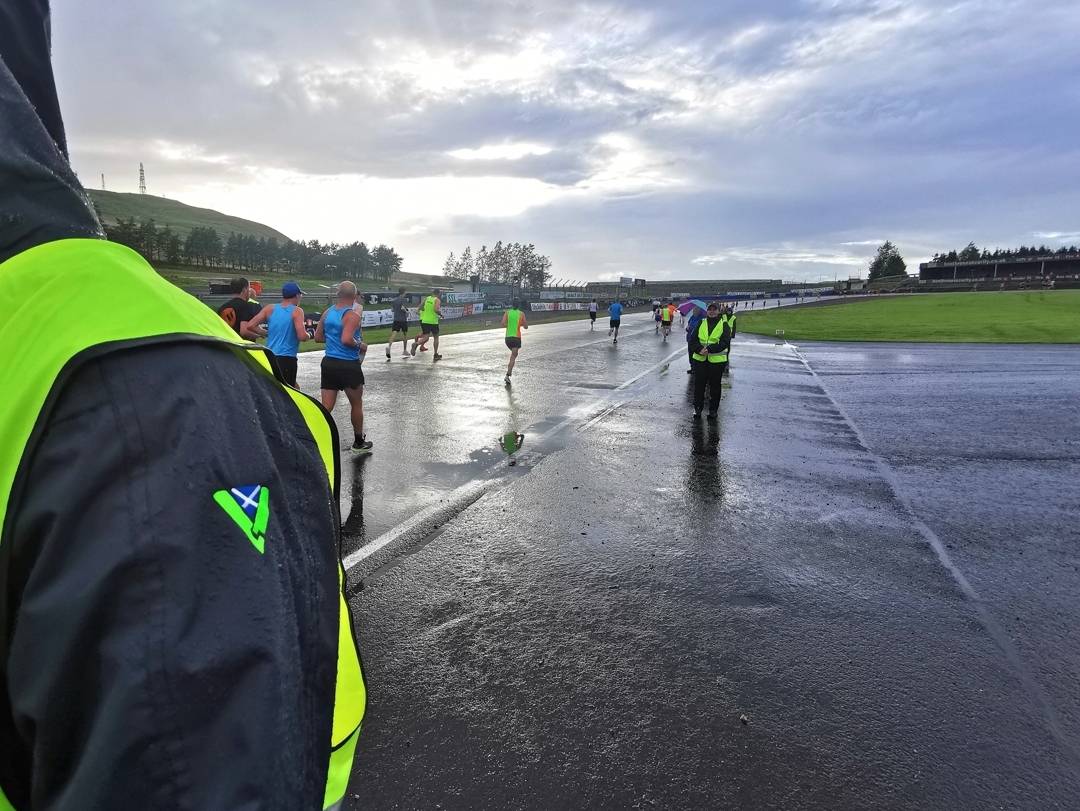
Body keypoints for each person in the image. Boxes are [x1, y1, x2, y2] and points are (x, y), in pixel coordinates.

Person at [0, 7, 364, 808]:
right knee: (323, 405)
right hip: (270, 374)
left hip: (243, 385)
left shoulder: (135, 392)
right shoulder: (161, 369)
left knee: (317, 405)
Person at [315, 281, 372, 453]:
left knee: (326, 406)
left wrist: (333, 339)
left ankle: (315, 437)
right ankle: (358, 443)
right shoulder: (352, 315)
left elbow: (318, 337)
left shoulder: (328, 312)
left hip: (329, 362)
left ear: (338, 294)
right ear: (354, 297)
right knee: (356, 404)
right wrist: (360, 345)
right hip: (348, 365)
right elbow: (347, 339)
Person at [246, 281, 308, 387]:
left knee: (274, 388)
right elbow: (302, 336)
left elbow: (251, 325)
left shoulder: (270, 308)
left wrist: (265, 333)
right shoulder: (297, 311)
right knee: (288, 392)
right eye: (300, 295)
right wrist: (309, 335)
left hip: (270, 356)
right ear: (297, 295)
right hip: (287, 358)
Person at [690, 301, 732, 420]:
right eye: (710, 309)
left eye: (714, 309)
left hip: (716, 362)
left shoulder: (724, 325)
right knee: (699, 386)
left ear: (718, 311)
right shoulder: (701, 322)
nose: (712, 311)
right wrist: (699, 349)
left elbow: (725, 342)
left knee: (715, 387)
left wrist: (709, 349)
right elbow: (693, 340)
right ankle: (697, 408)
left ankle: (713, 410)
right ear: (707, 311)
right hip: (700, 360)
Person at [411, 287, 443, 360]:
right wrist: (440, 314)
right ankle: (435, 354)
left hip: (424, 320)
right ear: (438, 293)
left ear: (433, 293)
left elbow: (420, 307)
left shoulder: (427, 298)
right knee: (436, 337)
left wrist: (424, 312)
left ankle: (416, 343)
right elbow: (435, 309)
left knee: (426, 337)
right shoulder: (437, 300)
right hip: (433, 321)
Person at [502, 300, 528, 385]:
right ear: (519, 306)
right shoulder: (521, 314)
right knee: (513, 356)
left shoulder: (507, 312)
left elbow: (502, 324)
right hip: (516, 338)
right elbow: (526, 327)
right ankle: (507, 375)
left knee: (513, 355)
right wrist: (519, 324)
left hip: (508, 338)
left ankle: (508, 374)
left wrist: (510, 325)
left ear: (512, 305)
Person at [386, 286, 410, 359]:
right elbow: (403, 308)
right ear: (404, 292)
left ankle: (389, 346)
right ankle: (405, 350)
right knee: (405, 334)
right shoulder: (404, 300)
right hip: (403, 320)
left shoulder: (394, 300)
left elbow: (392, 310)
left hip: (396, 319)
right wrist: (407, 312)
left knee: (394, 333)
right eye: (405, 292)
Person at [685, 305, 704, 374]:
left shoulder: (702, 318)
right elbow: (688, 325)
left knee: (696, 355)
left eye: (695, 310)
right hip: (690, 339)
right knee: (690, 354)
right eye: (693, 310)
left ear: (699, 311)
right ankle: (692, 367)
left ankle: (696, 368)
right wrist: (687, 328)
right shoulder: (692, 317)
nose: (694, 311)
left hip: (697, 340)